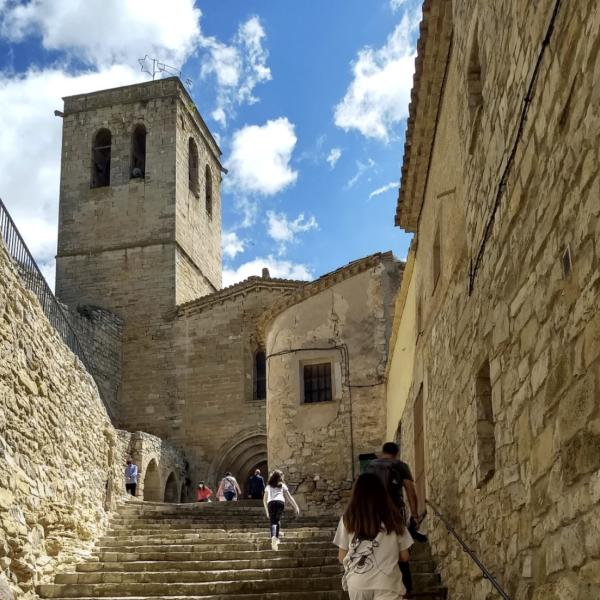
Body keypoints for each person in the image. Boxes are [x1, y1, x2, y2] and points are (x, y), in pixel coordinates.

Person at [333, 473, 413, 600]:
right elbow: (405, 556)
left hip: (357, 582)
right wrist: (387, 553)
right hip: (387, 582)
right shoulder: (394, 518)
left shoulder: (347, 519)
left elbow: (342, 556)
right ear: (382, 493)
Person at [365, 442, 426, 598]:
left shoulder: (370, 466)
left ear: (382, 451)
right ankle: (405, 590)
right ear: (397, 453)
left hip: (373, 514)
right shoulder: (400, 465)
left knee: (374, 548)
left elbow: (361, 490)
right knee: (401, 550)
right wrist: (415, 515)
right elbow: (410, 491)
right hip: (394, 514)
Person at [263, 469, 300, 551]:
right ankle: (276, 539)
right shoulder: (282, 485)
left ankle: (273, 537)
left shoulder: (268, 486)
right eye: (282, 475)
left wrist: (266, 511)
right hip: (280, 502)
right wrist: (296, 507)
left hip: (271, 503)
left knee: (273, 522)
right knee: (277, 520)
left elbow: (264, 500)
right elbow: (289, 497)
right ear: (280, 477)